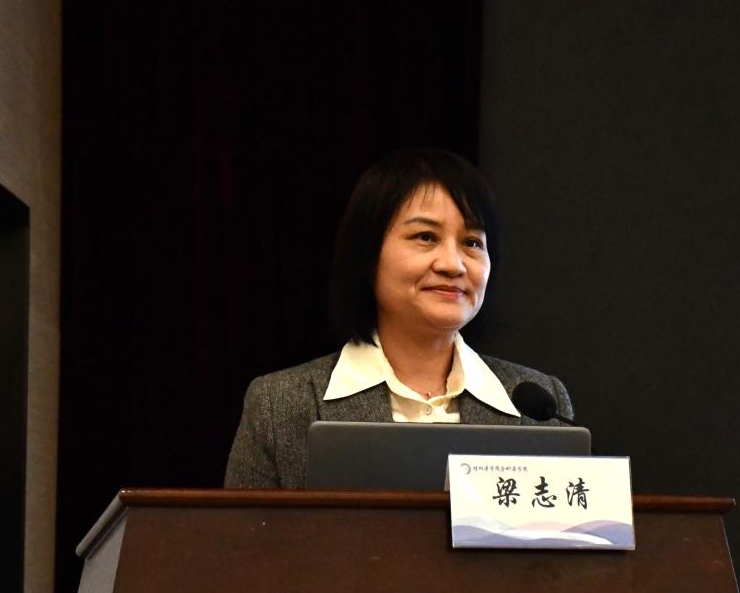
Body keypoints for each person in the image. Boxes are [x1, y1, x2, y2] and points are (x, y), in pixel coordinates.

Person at [224, 149, 573, 488]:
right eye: (426, 237)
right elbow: (246, 532)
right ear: (367, 253)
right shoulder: (280, 406)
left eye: (471, 242)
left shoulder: (542, 406)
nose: (453, 264)